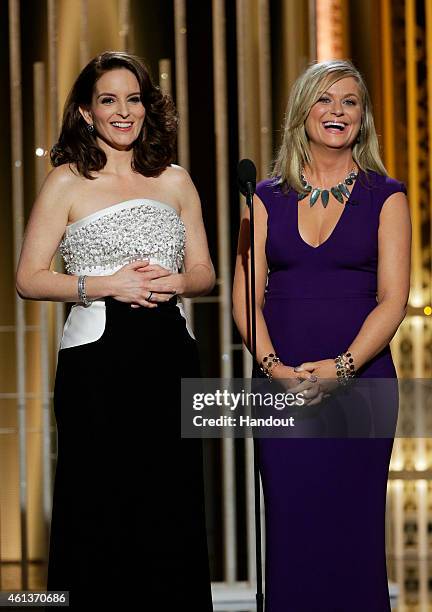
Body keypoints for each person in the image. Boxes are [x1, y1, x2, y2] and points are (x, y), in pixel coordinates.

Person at [16, 51, 215, 610]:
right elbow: (28, 278)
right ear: (86, 111)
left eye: (134, 99)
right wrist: (106, 285)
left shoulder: (175, 181)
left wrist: (176, 280)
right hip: (96, 365)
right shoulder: (65, 182)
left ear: (147, 109)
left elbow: (206, 272)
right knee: (98, 505)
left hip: (169, 356)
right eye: (109, 100)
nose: (123, 112)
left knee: (171, 505)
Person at [233, 59, 411, 611]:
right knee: (292, 532)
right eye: (325, 100)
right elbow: (246, 299)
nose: (337, 111)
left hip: (362, 387)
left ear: (363, 118)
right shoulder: (261, 197)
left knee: (353, 535)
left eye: (350, 102)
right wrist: (274, 369)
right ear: (301, 112)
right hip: (281, 388)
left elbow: (394, 300)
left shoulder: (389, 196)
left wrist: (341, 369)